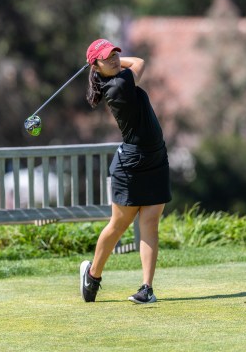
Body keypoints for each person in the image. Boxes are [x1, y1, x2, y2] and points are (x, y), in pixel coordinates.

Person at [80, 38, 171, 304]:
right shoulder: (119, 85)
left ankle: (147, 288)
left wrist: (104, 63)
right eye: (106, 57)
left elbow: (132, 64)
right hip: (131, 165)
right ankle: (92, 276)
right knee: (119, 225)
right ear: (95, 66)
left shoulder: (117, 77)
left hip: (155, 158)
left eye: (115, 54)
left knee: (150, 225)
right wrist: (108, 66)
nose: (115, 59)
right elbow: (140, 61)